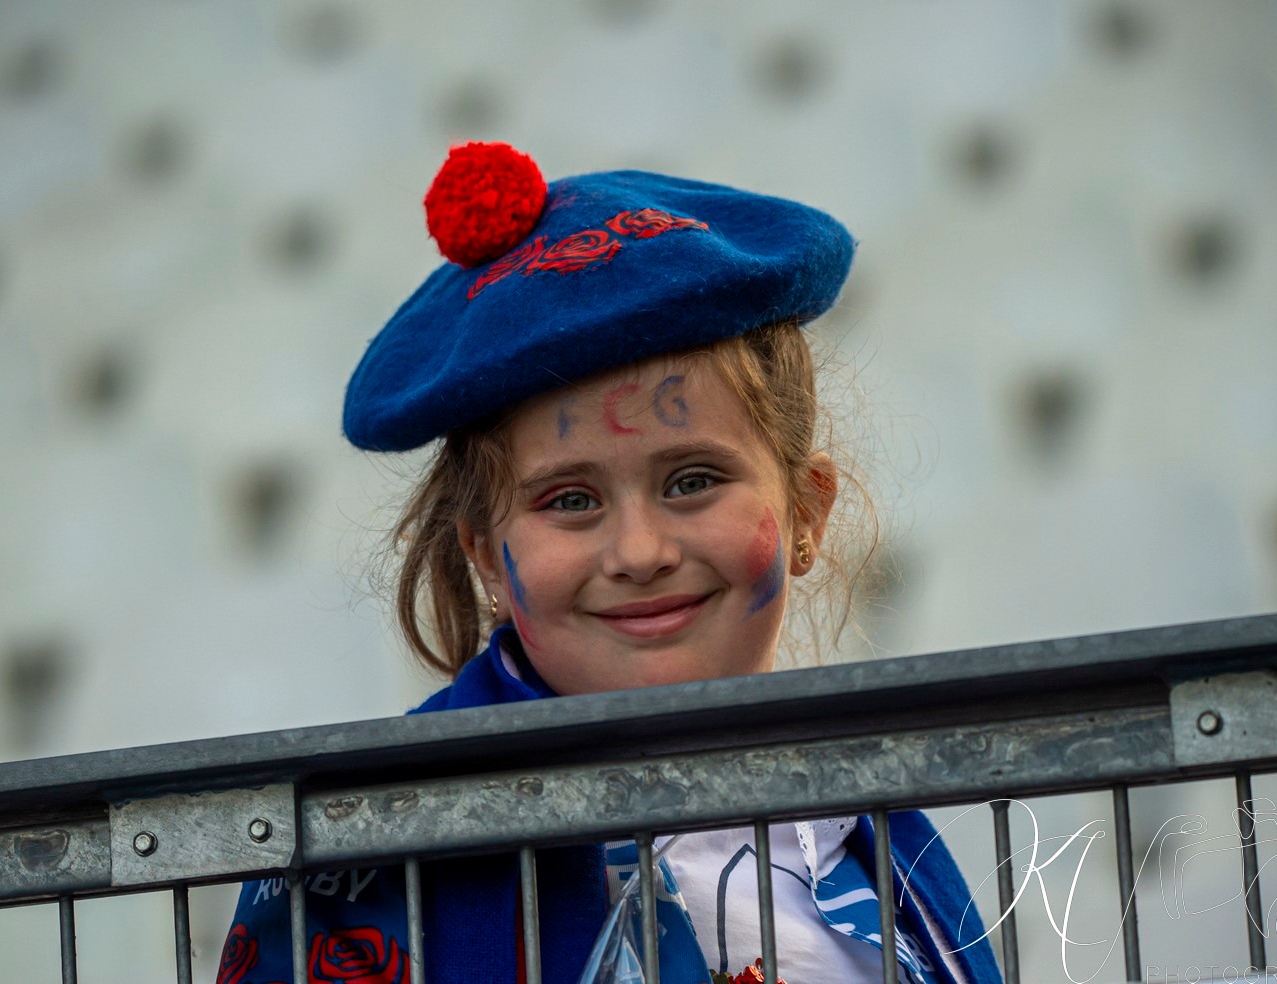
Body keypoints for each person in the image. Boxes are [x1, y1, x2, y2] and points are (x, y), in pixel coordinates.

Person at [216, 142, 1001, 984]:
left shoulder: (871, 822)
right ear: (485, 552)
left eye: (693, 481)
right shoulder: (371, 845)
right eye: (570, 501)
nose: (638, 553)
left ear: (806, 510)